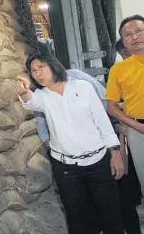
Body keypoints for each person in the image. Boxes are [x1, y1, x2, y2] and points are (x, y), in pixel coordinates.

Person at [16, 52, 124, 234]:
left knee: (110, 214)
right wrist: (25, 92)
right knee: (77, 218)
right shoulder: (43, 96)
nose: (37, 74)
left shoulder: (83, 87)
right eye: (33, 71)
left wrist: (115, 153)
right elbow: (31, 103)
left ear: (53, 65)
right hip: (67, 167)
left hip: (98, 161)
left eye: (40, 67)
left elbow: (102, 122)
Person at [106, 15, 144, 199]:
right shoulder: (118, 70)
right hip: (138, 131)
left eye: (139, 31)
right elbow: (111, 106)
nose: (135, 37)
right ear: (124, 42)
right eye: (128, 35)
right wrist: (135, 126)